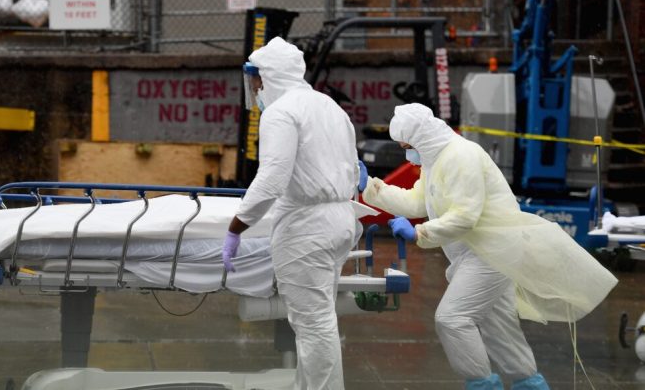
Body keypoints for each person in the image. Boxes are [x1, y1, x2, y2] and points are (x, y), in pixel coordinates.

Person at [362, 103, 618, 390]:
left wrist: (420, 233)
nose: (406, 153)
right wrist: (372, 189)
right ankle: (528, 383)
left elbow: (465, 216)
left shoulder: (461, 156)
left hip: (491, 254)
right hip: (480, 253)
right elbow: (419, 200)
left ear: (421, 137)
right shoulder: (435, 160)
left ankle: (482, 385)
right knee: (500, 329)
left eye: (407, 145)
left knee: (452, 319)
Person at [222, 37, 363, 390]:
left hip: (307, 228)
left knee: (313, 324)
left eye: (255, 79)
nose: (254, 88)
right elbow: (352, 165)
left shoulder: (281, 113)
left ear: (269, 76)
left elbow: (272, 178)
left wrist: (237, 227)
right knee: (320, 319)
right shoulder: (329, 106)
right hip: (341, 219)